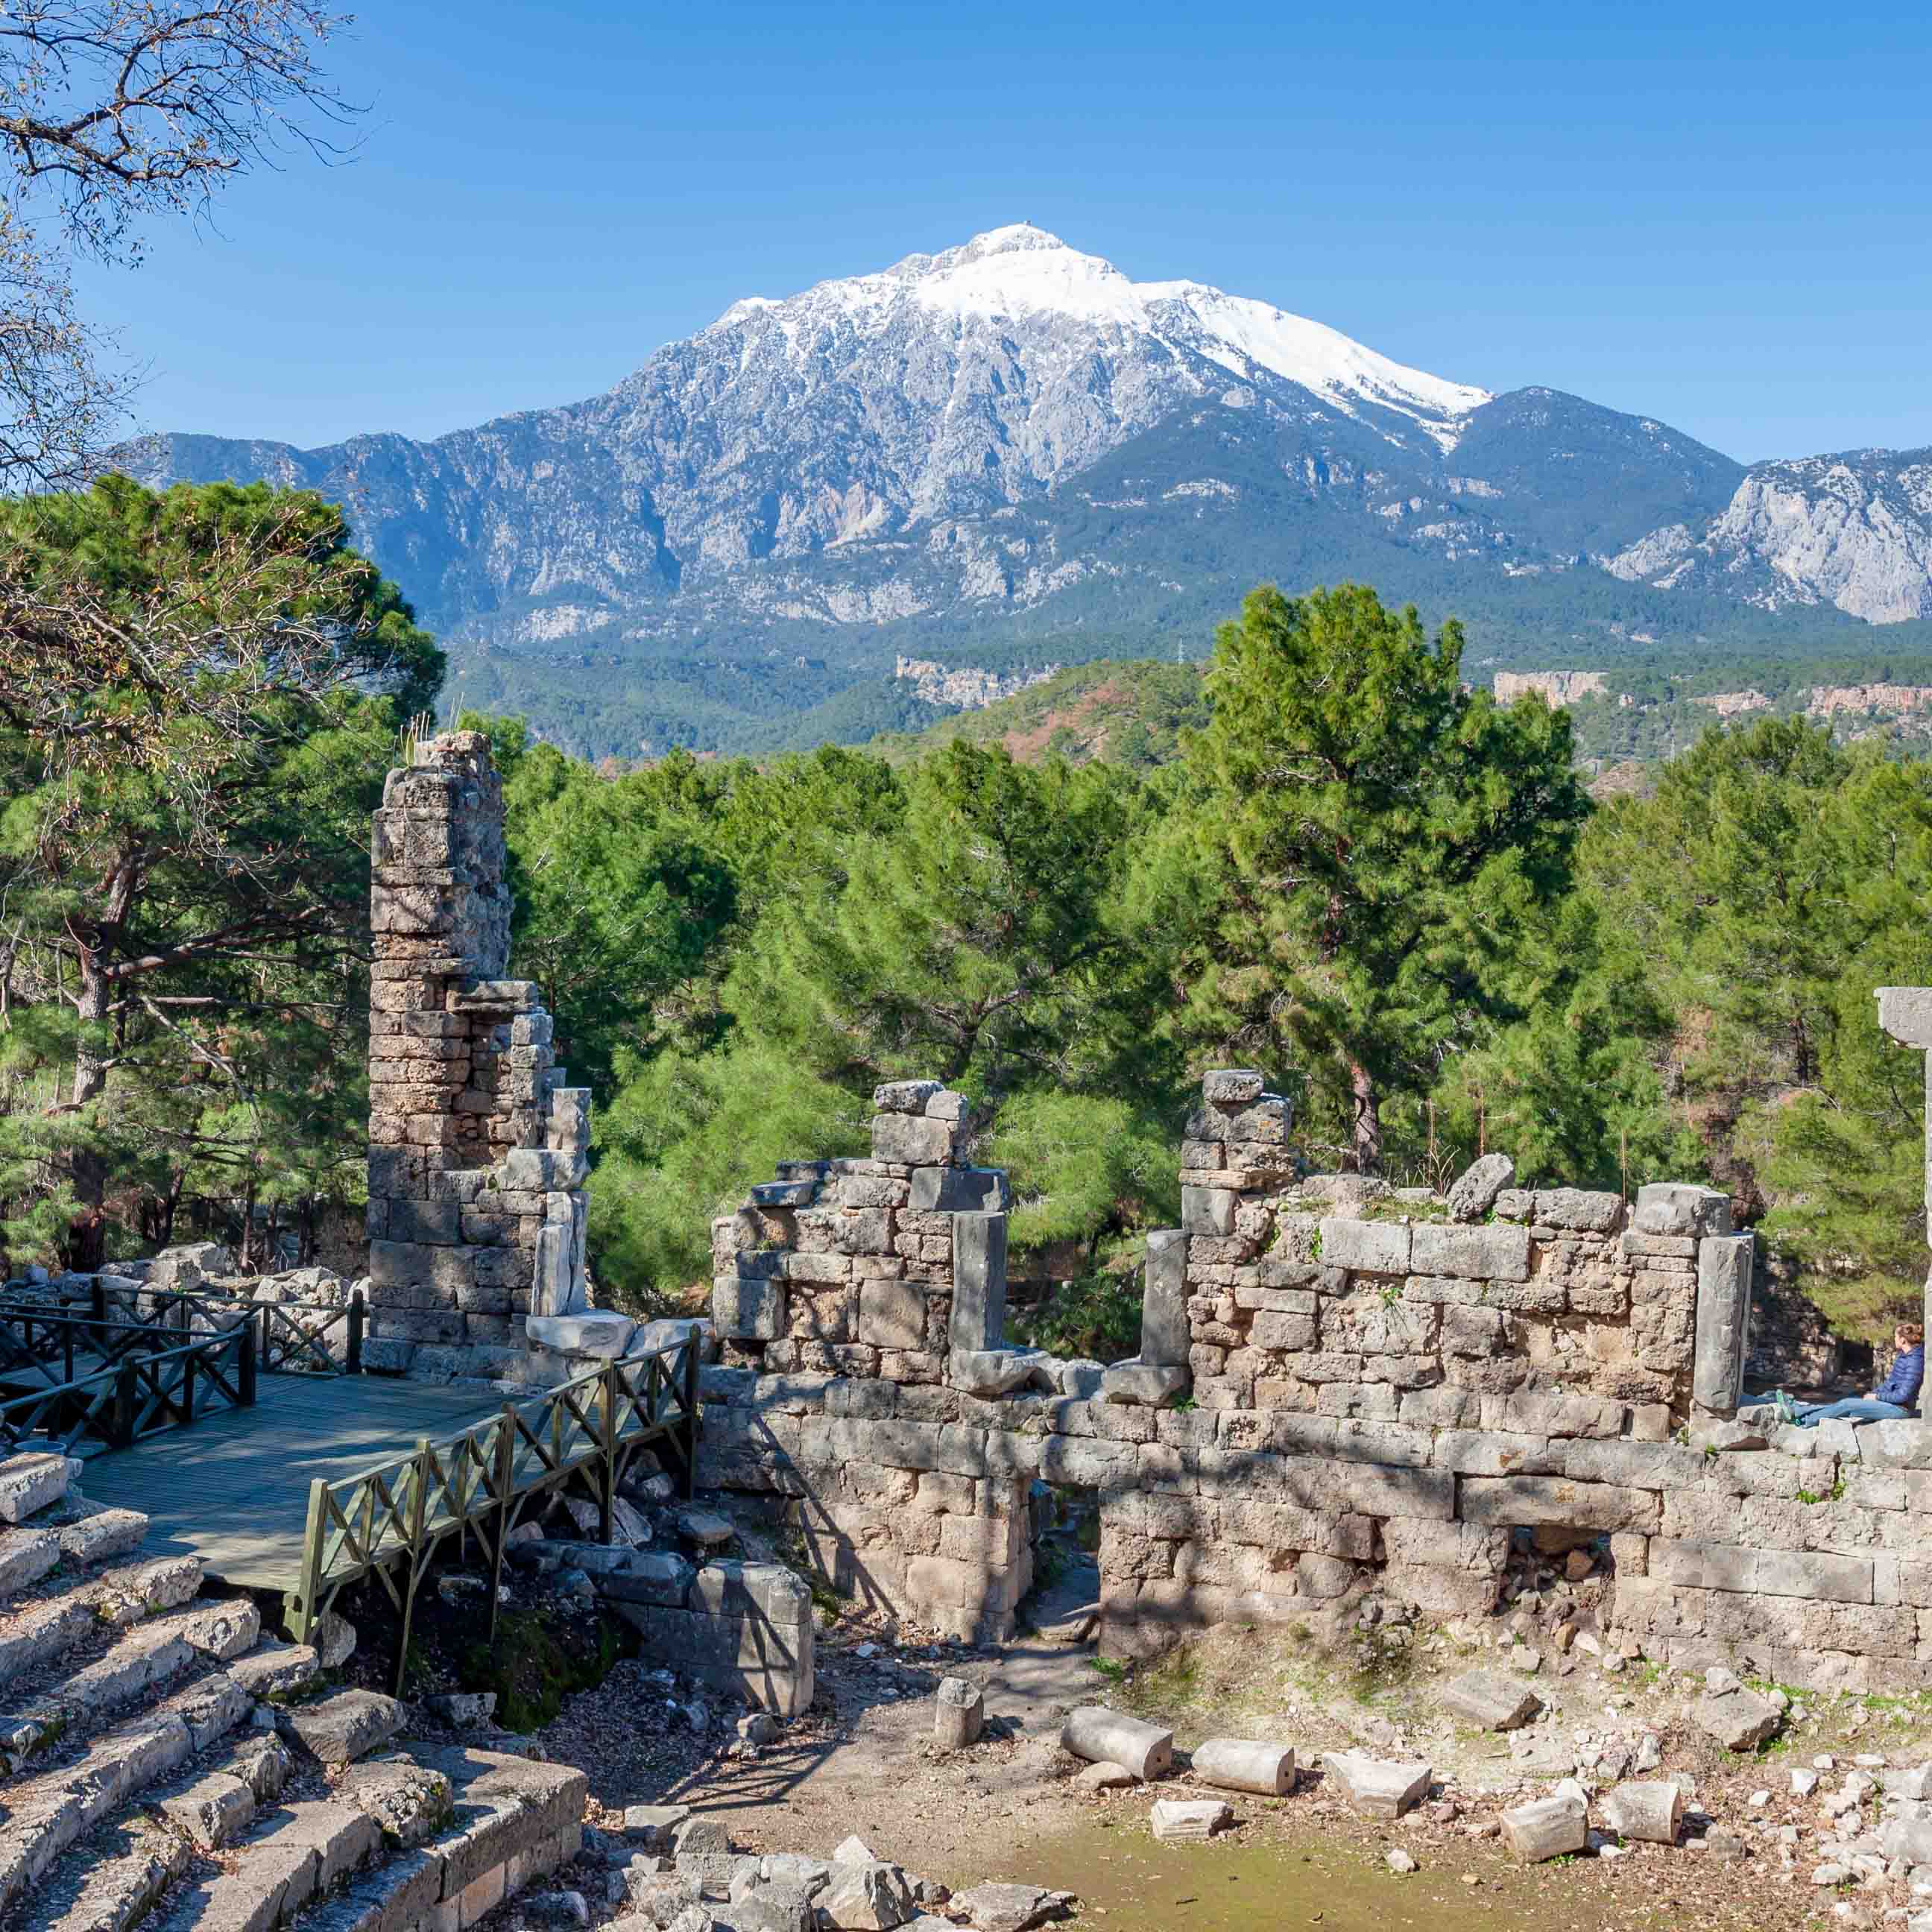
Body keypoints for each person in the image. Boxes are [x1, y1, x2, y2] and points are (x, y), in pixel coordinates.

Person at [1773, 1322, 1924, 1427]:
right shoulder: (1904, 1357)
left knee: (1847, 1404)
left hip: (1900, 1409)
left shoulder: (1914, 1361)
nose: (1894, 1339)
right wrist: (1873, 1394)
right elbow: (1890, 1384)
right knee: (1849, 1399)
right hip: (1891, 1403)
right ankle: (1802, 1414)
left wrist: (1876, 1397)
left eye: (1895, 1337)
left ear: (1903, 1340)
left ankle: (1804, 1417)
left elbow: (1903, 1395)